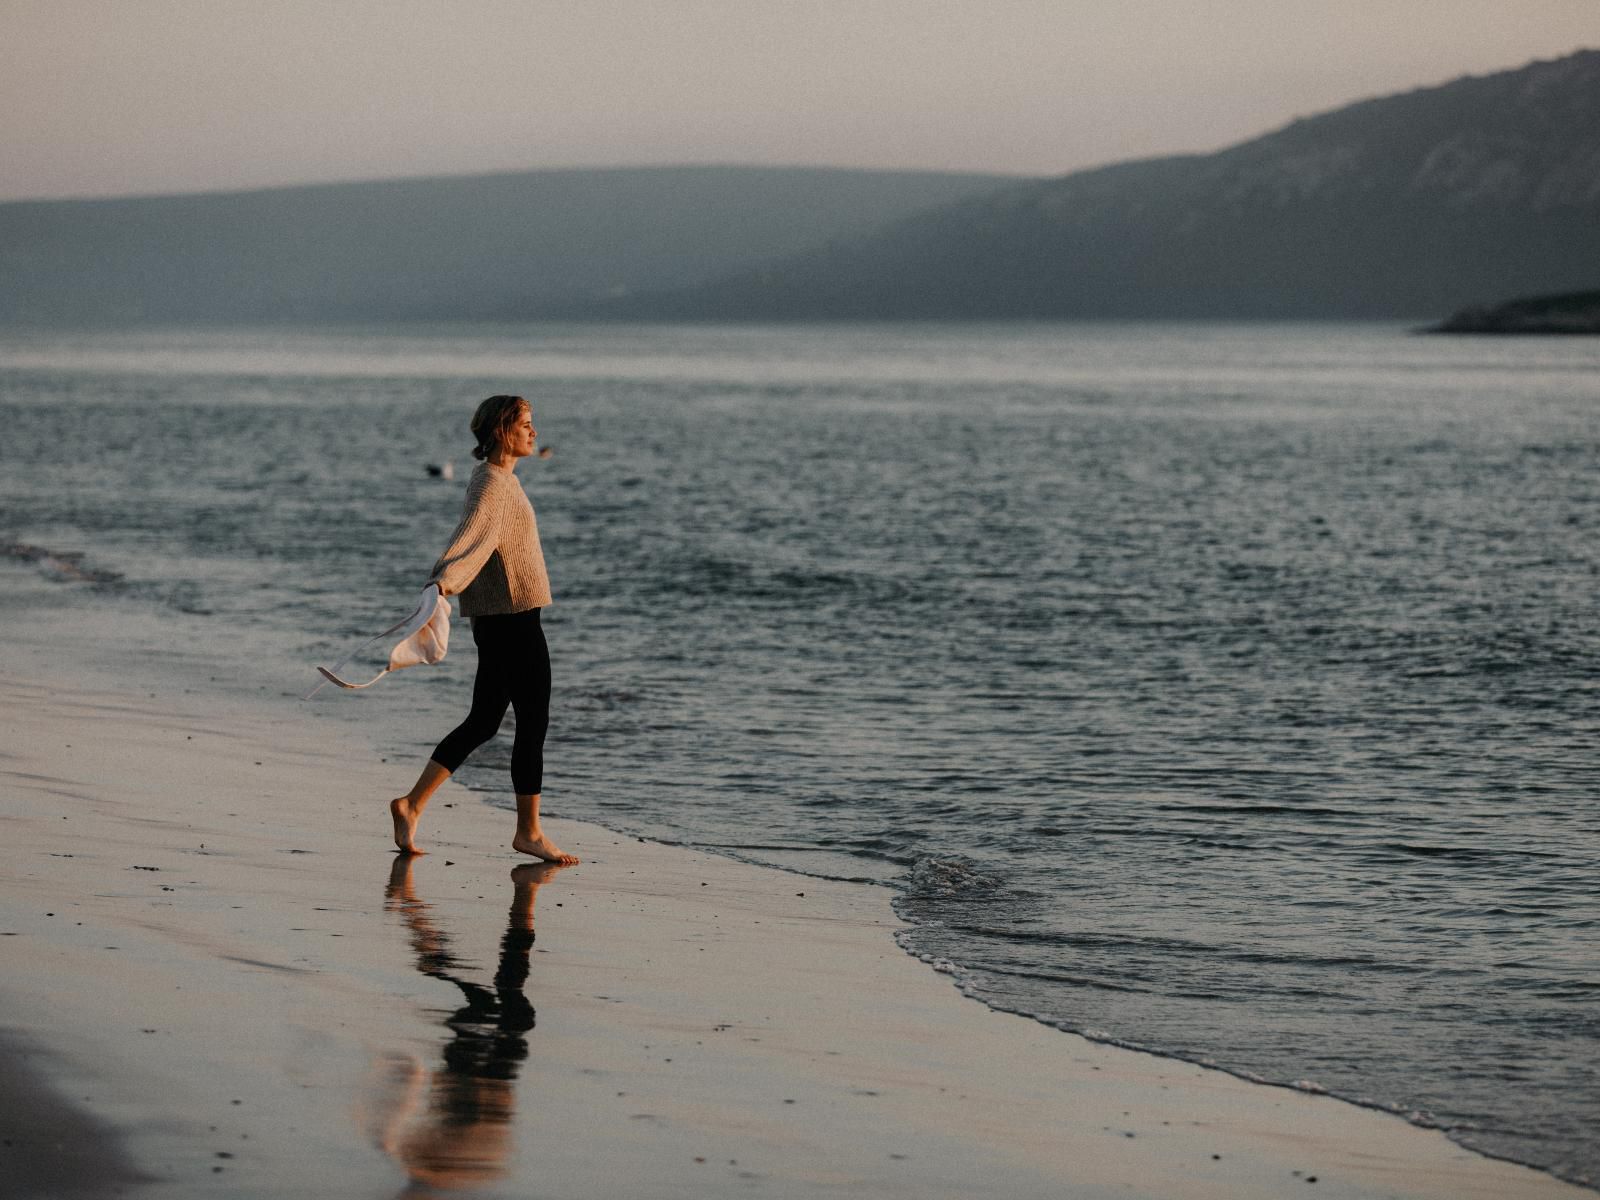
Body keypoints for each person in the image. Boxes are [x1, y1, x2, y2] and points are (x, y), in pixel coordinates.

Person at [389, 394, 579, 865]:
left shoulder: (497, 480)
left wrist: (446, 582)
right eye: (527, 425)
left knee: (484, 720)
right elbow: (470, 538)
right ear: (502, 431)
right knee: (531, 723)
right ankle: (528, 832)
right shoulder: (493, 484)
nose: (534, 432)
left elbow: (478, 538)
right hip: (513, 621)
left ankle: (412, 804)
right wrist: (444, 580)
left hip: (502, 621)